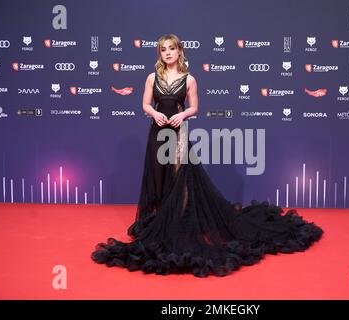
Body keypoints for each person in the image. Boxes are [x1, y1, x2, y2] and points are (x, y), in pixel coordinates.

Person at [91, 34, 323, 277]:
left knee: (179, 175)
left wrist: (183, 116)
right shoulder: (152, 77)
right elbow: (145, 104)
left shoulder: (189, 79)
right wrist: (154, 114)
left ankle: (178, 223)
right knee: (158, 175)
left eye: (172, 49)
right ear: (159, 54)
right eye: (163, 50)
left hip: (178, 132)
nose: (168, 53)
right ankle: (160, 222)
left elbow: (194, 107)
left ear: (179, 51)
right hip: (157, 132)